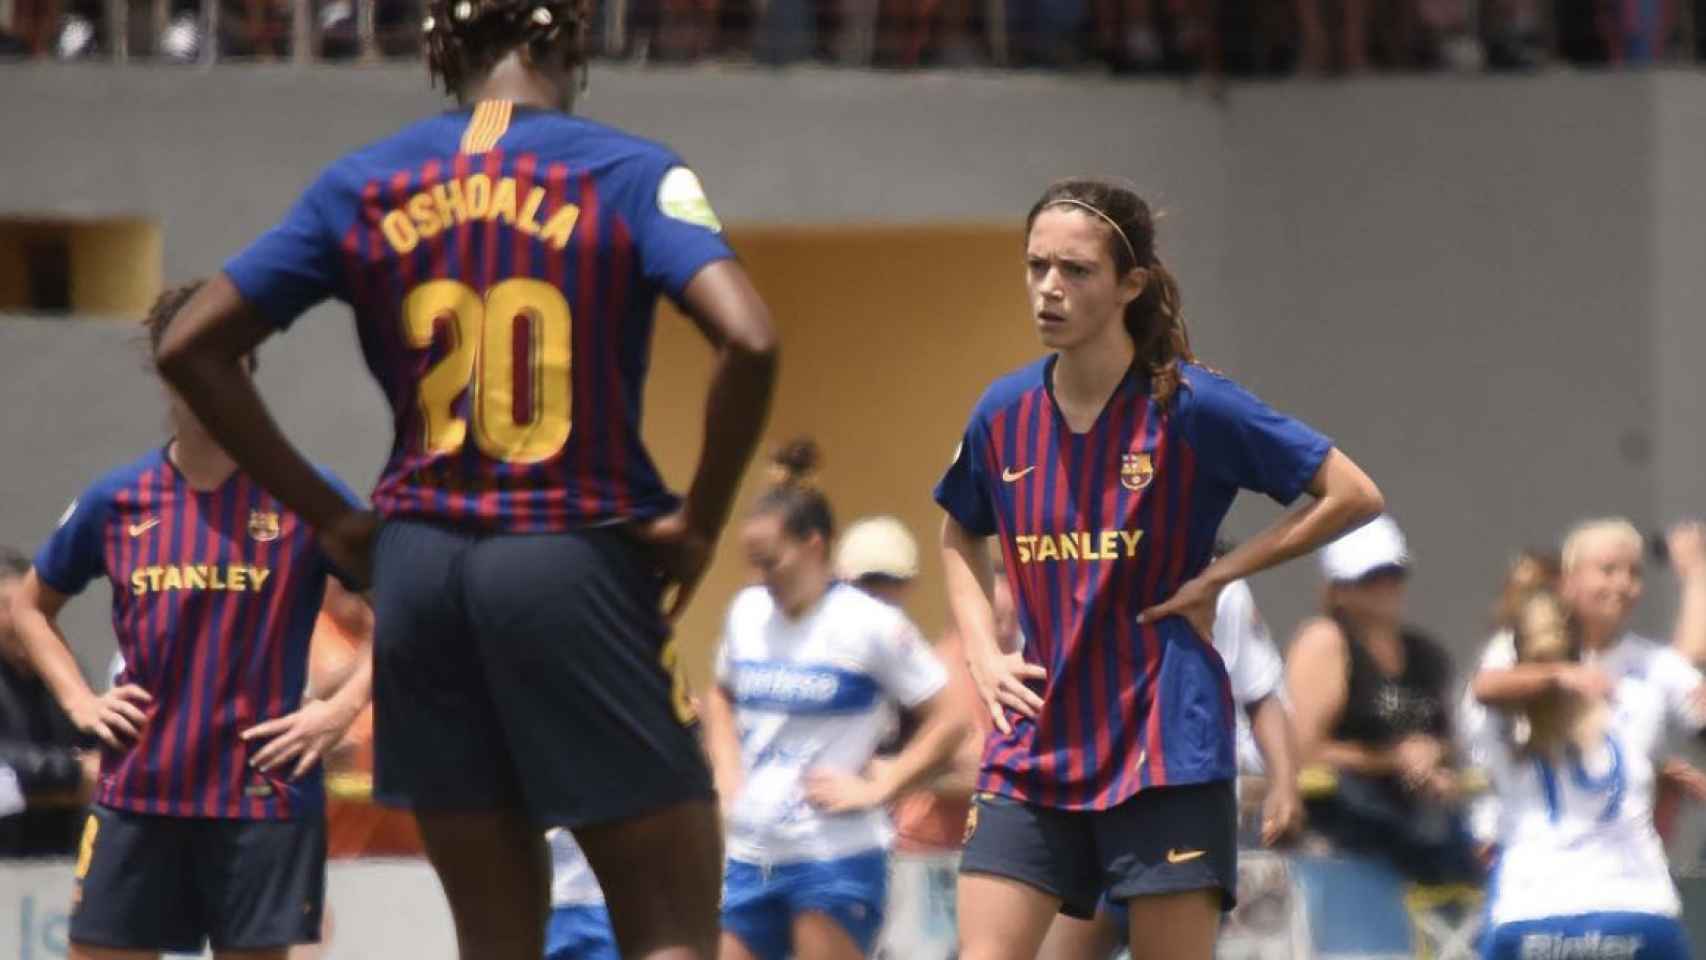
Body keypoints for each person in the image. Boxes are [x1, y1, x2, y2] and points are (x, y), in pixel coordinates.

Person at [150, 0, 780, 953]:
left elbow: (194, 346)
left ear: (442, 44)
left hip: (420, 576)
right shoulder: (631, 170)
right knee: (670, 928)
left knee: (492, 941)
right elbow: (751, 338)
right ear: (563, 36)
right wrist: (698, 523)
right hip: (570, 555)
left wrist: (334, 520)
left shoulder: (362, 183)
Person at [935, 176, 1383, 960]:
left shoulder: (1194, 406)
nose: (1049, 288)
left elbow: (1352, 493)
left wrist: (1223, 573)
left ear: (1130, 284)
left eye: (1075, 271)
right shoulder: (1001, 413)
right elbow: (957, 537)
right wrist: (980, 651)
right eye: (1036, 266)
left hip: (1165, 748)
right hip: (1034, 745)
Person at [8, 283, 370, 960]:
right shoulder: (117, 499)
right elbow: (30, 607)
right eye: (192, 360)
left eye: (227, 358)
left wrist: (336, 712)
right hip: (138, 792)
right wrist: (80, 701)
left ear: (249, 368)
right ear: (162, 367)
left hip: (261, 801)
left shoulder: (306, 494)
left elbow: (409, 612)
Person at [703, 440, 969, 960]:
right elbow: (720, 694)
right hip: (751, 852)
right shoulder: (746, 613)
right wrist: (727, 775)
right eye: (751, 564)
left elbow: (952, 717)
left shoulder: (869, 625)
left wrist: (885, 784)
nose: (760, 578)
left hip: (836, 855)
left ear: (815, 546)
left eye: (771, 562)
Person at [1035, 574, 1304, 960]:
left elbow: (1259, 690)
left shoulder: (1221, 584)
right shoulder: (1081, 570)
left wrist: (1284, 784)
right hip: (1095, 816)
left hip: (1186, 825)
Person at [1475, 587, 1694, 959]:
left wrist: (1554, 674)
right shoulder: (1630, 700)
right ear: (1582, 652)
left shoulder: (1505, 725)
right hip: (1637, 911)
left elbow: (1485, 687)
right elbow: (1677, 665)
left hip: (1530, 915)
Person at [1286, 514, 1478, 884]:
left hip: (1419, 828)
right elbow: (1302, 751)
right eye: (1369, 579)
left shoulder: (1426, 654)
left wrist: (1430, 756)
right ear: (1338, 589)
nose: (1384, 588)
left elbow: (1448, 738)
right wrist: (1392, 760)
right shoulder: (1325, 642)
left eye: (1393, 574)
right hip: (1346, 833)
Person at [0, 546, 95, 857]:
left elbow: (99, 748)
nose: (20, 622)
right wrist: (74, 775)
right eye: (7, 608)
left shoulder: (63, 673)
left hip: (56, 869)